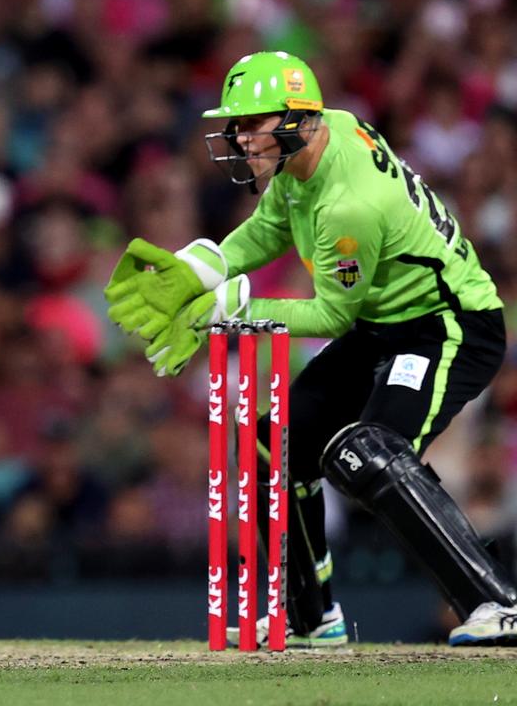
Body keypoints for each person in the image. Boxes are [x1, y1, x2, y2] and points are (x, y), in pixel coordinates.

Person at [104, 52, 517, 647]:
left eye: (252, 124)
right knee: (273, 448)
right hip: (383, 322)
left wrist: (230, 309)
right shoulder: (325, 136)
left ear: (297, 119)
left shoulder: (348, 206)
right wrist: (200, 268)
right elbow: (272, 223)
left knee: (370, 452)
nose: (239, 138)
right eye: (237, 125)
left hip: (448, 325)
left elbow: (330, 314)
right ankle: (311, 615)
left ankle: (495, 601)